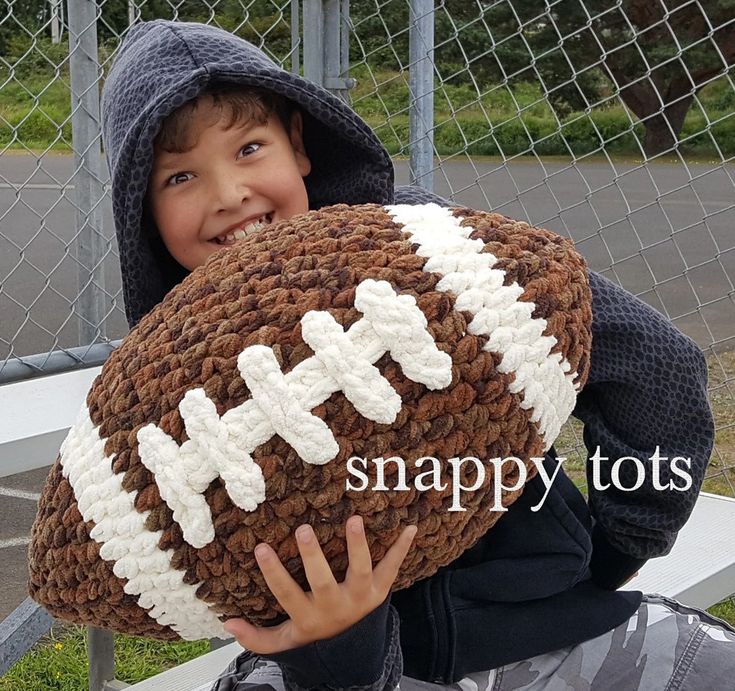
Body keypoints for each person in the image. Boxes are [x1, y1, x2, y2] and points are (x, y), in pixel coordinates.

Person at [100, 19, 734, 691]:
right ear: (139, 207)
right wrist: (334, 645)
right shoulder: (174, 367)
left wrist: (618, 542)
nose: (229, 194)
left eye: (249, 147)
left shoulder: (433, 252)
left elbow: (654, 362)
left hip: (543, 621)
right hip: (335, 663)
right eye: (180, 177)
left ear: (298, 140)